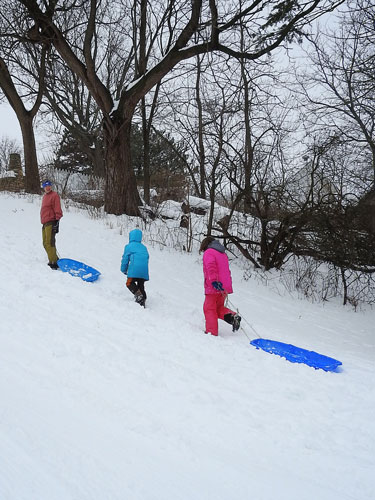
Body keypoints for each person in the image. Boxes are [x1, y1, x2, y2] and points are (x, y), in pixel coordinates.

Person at [200, 236, 241, 336]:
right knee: (218, 308)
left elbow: (211, 267)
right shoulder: (222, 254)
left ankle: (211, 332)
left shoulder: (209, 252)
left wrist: (214, 281)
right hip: (224, 287)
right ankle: (232, 316)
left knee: (209, 309)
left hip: (214, 286)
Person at [121, 228, 149, 307]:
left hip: (134, 269)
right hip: (144, 270)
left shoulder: (129, 246)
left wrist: (123, 270)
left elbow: (125, 259)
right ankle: (143, 299)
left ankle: (139, 296)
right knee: (141, 285)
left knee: (129, 283)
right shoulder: (144, 247)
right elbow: (147, 257)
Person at [40, 180, 63, 270]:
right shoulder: (45, 196)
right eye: (45, 186)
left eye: (49, 186)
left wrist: (57, 222)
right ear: (43, 187)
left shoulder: (54, 195)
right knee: (45, 243)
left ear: (51, 186)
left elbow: (57, 209)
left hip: (51, 221)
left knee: (50, 242)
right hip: (44, 222)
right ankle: (55, 259)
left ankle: (53, 262)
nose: (47, 188)